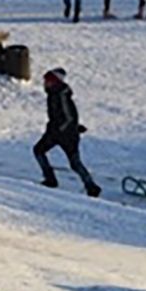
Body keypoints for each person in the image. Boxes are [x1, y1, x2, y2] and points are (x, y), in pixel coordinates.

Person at [33, 68, 101, 198]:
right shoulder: (54, 94)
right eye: (46, 81)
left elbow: (69, 116)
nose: (45, 83)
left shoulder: (60, 95)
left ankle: (53, 180)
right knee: (41, 151)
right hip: (60, 133)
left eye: (48, 81)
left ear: (56, 82)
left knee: (42, 152)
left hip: (64, 135)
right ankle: (90, 186)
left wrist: (62, 129)